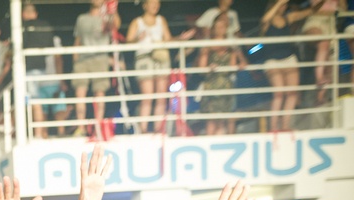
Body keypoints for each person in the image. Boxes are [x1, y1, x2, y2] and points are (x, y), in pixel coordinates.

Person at [126, 0, 193, 133]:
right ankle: (143, 129)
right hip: (144, 59)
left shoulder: (161, 20)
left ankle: (158, 129)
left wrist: (180, 38)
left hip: (161, 58)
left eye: (157, 3)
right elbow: (128, 41)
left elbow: (168, 39)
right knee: (147, 95)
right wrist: (138, 38)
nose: (155, 5)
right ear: (145, 5)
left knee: (161, 96)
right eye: (152, 2)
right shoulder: (137, 22)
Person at [260, 0, 317, 131]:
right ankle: (273, 127)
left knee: (292, 93)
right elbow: (264, 19)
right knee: (279, 94)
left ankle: (285, 125)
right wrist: (279, 3)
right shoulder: (267, 21)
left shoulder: (288, 18)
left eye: (285, 4)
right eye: (281, 4)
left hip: (289, 58)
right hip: (272, 61)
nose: (283, 6)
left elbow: (309, 12)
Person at [72, 0, 121, 136]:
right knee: (80, 93)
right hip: (83, 60)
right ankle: (81, 127)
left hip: (100, 59)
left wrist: (113, 10)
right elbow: (78, 40)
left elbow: (115, 25)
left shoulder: (107, 17)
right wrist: (75, 58)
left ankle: (98, 127)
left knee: (100, 93)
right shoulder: (82, 18)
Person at [196, 13, 247, 135]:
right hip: (211, 85)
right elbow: (201, 68)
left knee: (223, 120)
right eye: (218, 27)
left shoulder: (230, 46)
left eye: (223, 27)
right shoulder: (207, 46)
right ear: (213, 29)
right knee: (211, 120)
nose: (221, 29)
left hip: (226, 85)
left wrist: (238, 65)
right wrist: (209, 68)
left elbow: (236, 65)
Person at [22, 2, 65, 138]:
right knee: (36, 102)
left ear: (24, 14)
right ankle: (40, 133)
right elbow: (49, 48)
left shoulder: (23, 27)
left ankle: (38, 134)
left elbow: (20, 45)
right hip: (42, 68)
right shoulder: (45, 26)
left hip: (30, 69)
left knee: (35, 102)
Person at [302, 0, 344, 102]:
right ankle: (319, 78)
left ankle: (320, 96)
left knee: (330, 65)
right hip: (316, 22)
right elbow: (315, 8)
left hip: (330, 24)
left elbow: (343, 10)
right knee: (323, 43)